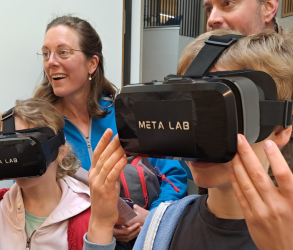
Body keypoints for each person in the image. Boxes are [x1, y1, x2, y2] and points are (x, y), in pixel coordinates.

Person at [83, 30, 293, 249]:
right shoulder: (161, 226)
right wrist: (100, 224)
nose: (201, 134)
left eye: (221, 114)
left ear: (280, 128)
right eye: (192, 110)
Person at [33, 15, 188, 245]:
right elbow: (31, 197)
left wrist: (152, 219)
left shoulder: (128, 115)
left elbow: (175, 175)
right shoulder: (41, 128)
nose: (51, 62)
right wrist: (97, 224)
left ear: (92, 64)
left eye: (63, 52)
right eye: (46, 53)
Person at [201, 0, 293, 182]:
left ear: (268, 7)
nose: (212, 19)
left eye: (227, 3)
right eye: (209, 9)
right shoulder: (201, 65)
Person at [0, 98, 91, 250]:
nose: (17, 160)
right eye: (9, 149)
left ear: (60, 152)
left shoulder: (92, 215)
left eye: (26, 149)